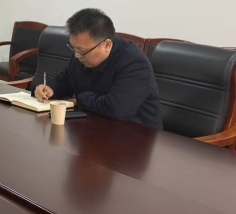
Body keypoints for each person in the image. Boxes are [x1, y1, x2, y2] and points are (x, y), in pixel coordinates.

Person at [34, 8, 162, 129]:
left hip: (136, 134)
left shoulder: (134, 63)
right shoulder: (83, 53)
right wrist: (51, 89)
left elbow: (116, 108)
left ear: (107, 45)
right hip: (94, 126)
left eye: (82, 51)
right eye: (74, 48)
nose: (77, 55)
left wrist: (81, 99)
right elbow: (68, 78)